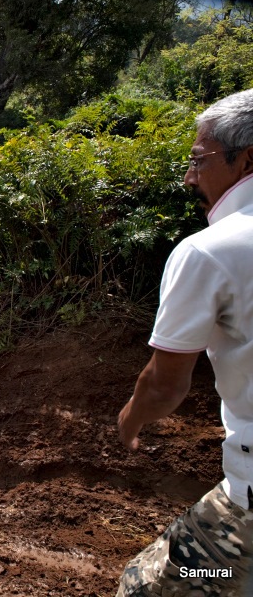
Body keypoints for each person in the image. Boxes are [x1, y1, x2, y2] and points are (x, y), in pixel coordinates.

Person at [116, 89, 253, 596]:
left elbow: (165, 384)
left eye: (199, 160)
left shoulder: (211, 251)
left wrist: (130, 420)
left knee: (149, 587)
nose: (190, 177)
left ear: (247, 158)